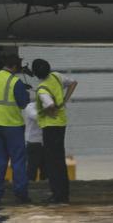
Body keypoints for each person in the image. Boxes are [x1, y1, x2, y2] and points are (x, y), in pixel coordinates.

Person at [0, 54, 31, 205]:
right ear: (15, 67)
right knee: (18, 162)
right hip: (13, 127)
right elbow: (23, 104)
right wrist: (26, 92)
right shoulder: (15, 82)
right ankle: (21, 195)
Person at [32, 58, 78, 204]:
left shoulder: (42, 89)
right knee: (59, 160)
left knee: (52, 162)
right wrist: (64, 100)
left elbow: (50, 105)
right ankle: (63, 194)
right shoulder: (56, 76)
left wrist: (46, 110)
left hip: (50, 127)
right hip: (61, 123)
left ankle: (57, 195)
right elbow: (73, 83)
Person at [23, 94, 46, 182]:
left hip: (44, 143)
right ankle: (30, 189)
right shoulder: (30, 107)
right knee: (31, 170)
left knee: (46, 170)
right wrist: (50, 109)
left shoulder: (46, 107)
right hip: (33, 143)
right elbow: (37, 116)